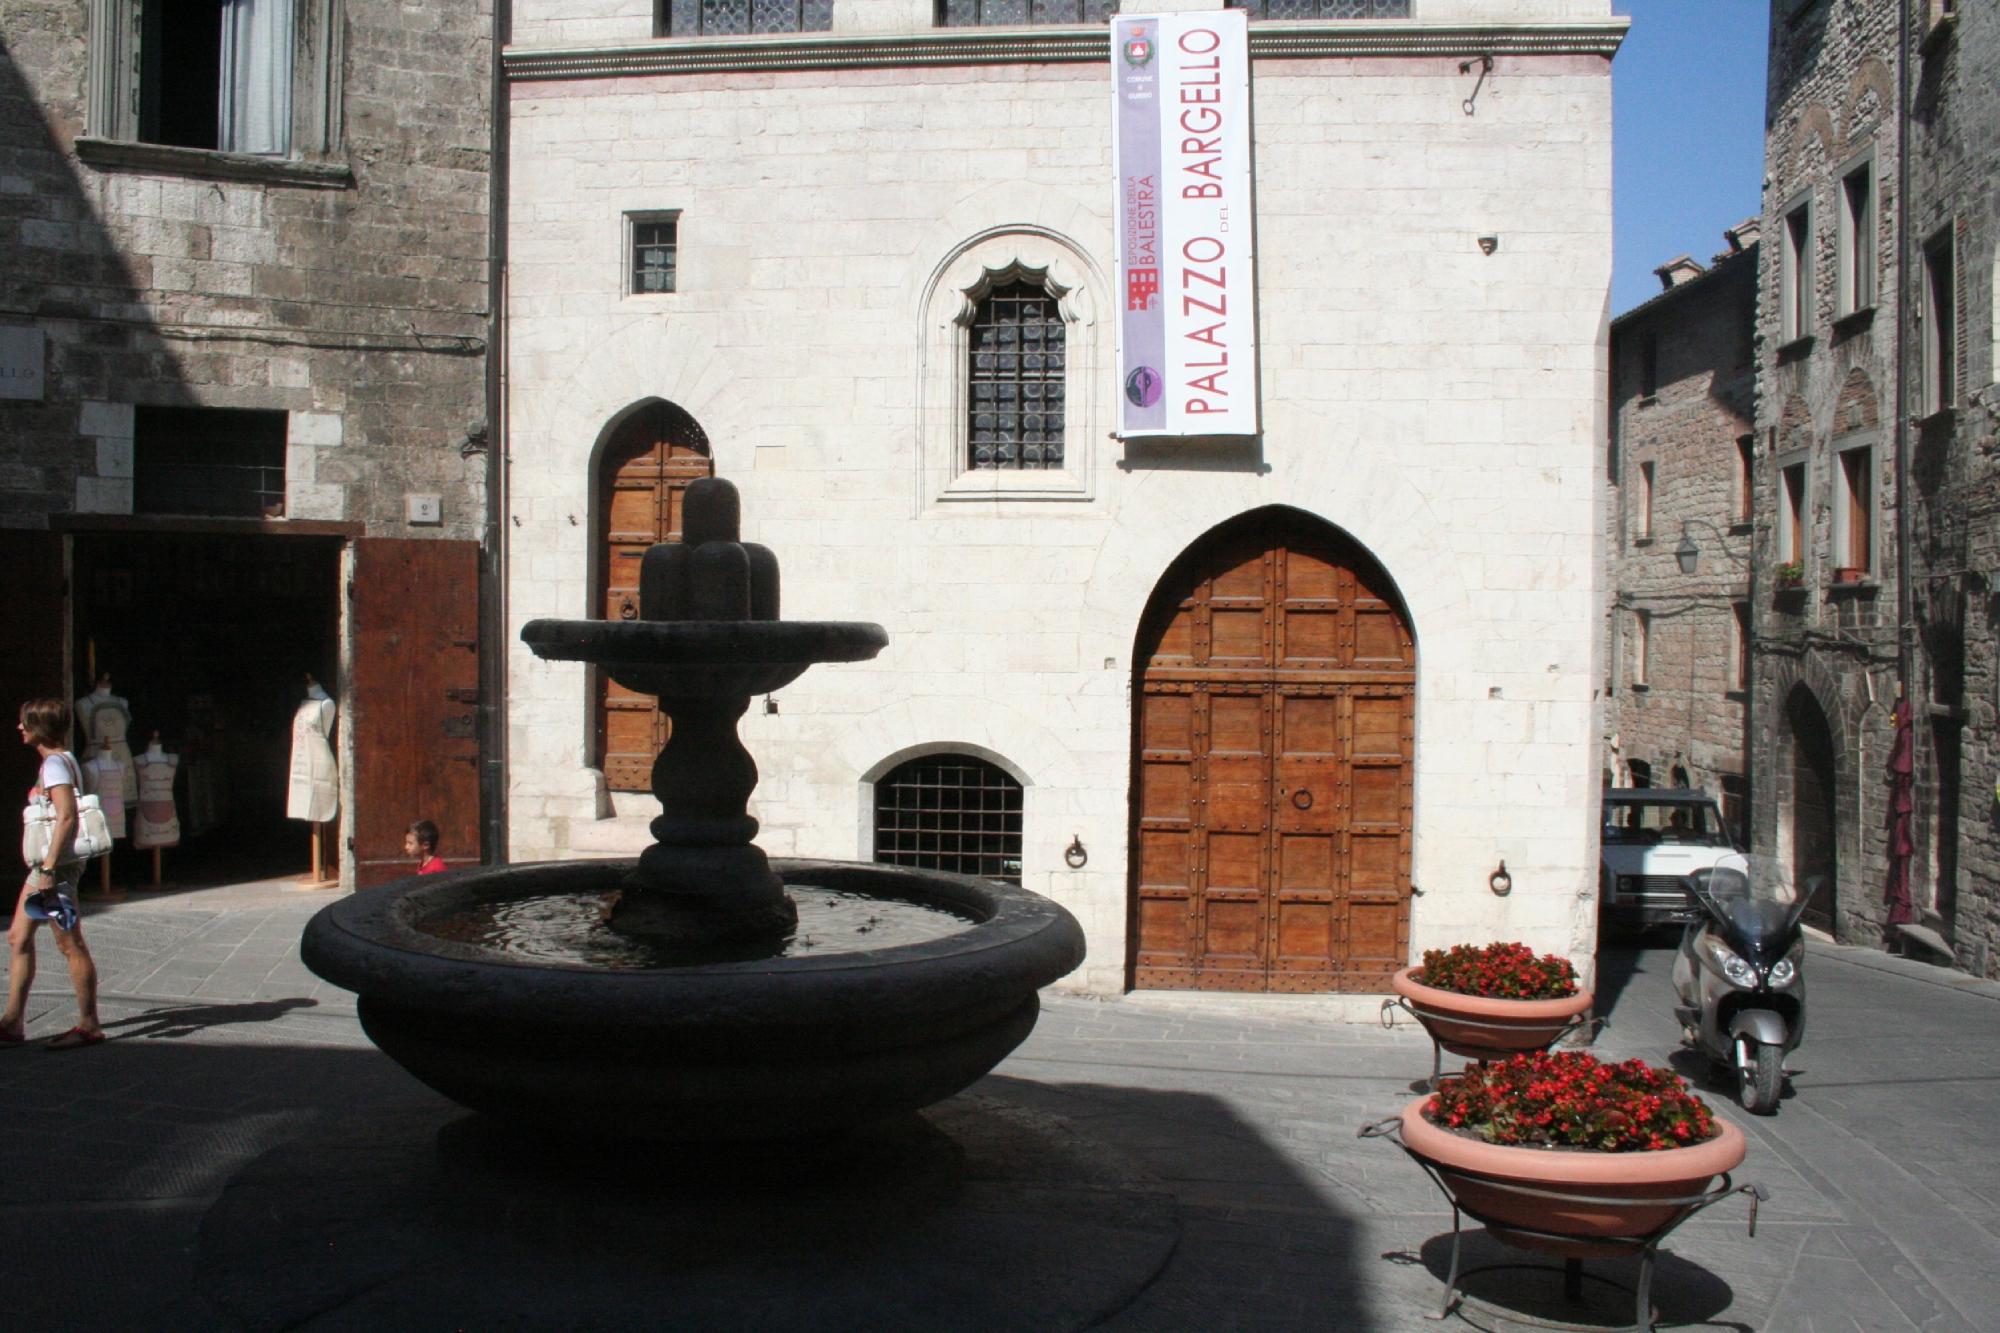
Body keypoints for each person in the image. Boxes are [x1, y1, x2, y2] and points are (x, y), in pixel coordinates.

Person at [3, 698, 105, 1050]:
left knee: (69, 943)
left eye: (24, 723)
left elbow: (66, 817)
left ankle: (89, 1025)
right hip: (47, 867)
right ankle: (12, 1021)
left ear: (39, 728)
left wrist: (47, 868)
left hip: (54, 868)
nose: (19, 728)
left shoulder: (55, 767)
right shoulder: (59, 762)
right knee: (18, 936)